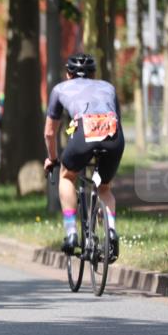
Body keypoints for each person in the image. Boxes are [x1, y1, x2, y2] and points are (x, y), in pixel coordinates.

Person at [44, 53, 124, 261]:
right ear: (94, 73)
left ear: (68, 74)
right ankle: (112, 231)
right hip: (113, 135)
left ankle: (71, 234)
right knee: (104, 187)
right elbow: (117, 118)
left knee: (67, 176)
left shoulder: (60, 88)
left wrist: (52, 158)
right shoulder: (108, 87)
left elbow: (49, 132)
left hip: (85, 133)